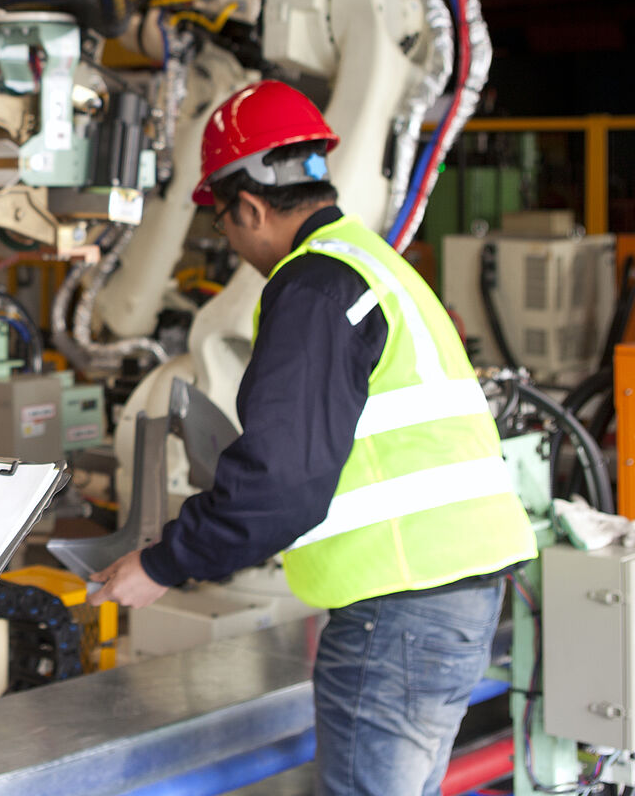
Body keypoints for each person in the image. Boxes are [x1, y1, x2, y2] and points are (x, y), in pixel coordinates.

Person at [88, 80, 536, 796]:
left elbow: (280, 481)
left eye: (223, 225)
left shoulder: (313, 287)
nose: (233, 245)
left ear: (250, 207)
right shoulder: (375, 265)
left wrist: (166, 561)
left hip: (398, 611)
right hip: (453, 597)